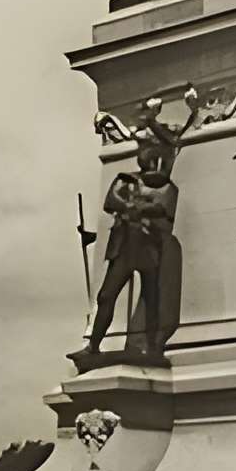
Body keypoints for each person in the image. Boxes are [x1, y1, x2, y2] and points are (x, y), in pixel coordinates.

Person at [74, 139, 179, 368]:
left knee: (151, 298)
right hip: (124, 245)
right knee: (106, 295)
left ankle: (152, 347)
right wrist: (135, 206)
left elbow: (164, 210)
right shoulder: (126, 179)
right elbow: (111, 201)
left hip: (148, 247)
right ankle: (93, 346)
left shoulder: (168, 188)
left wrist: (136, 206)